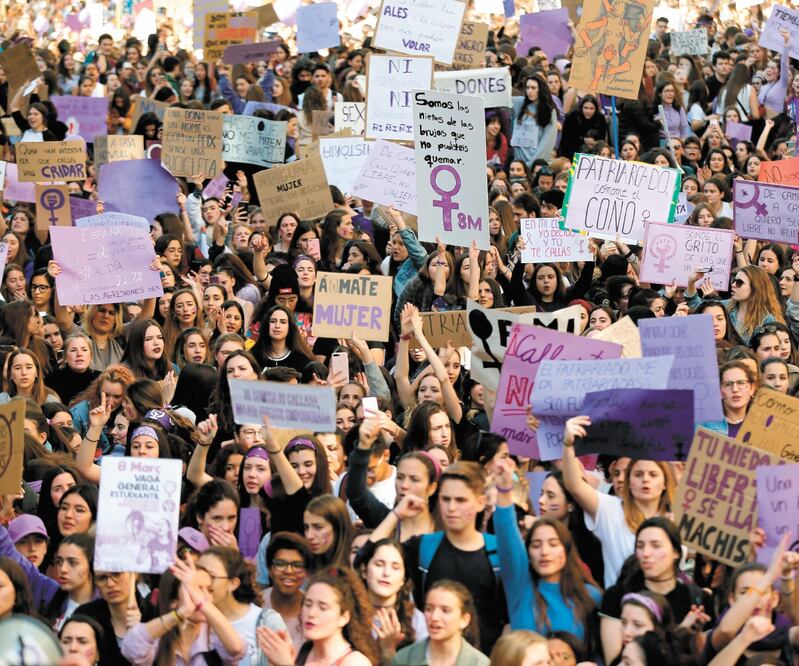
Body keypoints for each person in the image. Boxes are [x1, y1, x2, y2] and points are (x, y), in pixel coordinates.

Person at [391, 580, 489, 666]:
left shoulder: (480, 663)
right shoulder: (403, 660)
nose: (434, 617)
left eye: (445, 610)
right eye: (429, 609)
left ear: (464, 620)